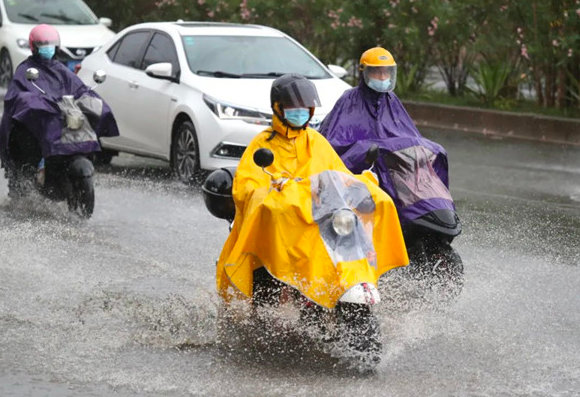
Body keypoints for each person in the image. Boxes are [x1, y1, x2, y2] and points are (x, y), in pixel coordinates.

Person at [214, 73, 408, 308]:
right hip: (286, 228)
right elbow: (247, 187)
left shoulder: (316, 141)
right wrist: (273, 191)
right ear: (278, 108)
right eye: (293, 107)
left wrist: (364, 183)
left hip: (321, 221)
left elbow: (338, 174)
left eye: (305, 107)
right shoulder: (262, 144)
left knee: (376, 203)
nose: (300, 112)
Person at [319, 47, 454, 221]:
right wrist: (366, 152)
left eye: (386, 72)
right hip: (363, 174)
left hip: (391, 169)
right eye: (377, 73)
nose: (383, 78)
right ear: (364, 73)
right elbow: (335, 148)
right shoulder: (349, 100)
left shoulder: (391, 100)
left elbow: (410, 137)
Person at [0, 24, 118, 196]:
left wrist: (91, 100)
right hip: (35, 126)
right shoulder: (26, 70)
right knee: (27, 151)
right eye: (43, 45)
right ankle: (37, 173)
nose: (47, 49)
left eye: (50, 45)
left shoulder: (61, 69)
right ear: (34, 47)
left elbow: (78, 88)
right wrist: (35, 102)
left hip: (62, 121)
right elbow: (18, 97)